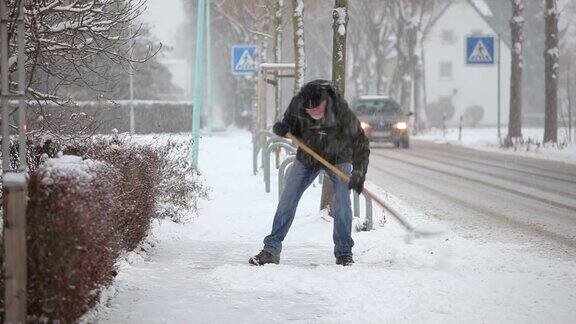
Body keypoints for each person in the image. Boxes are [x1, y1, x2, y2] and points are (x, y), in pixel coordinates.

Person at [249, 79, 370, 266]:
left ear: (325, 101)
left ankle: (344, 253)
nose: (314, 113)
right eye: (309, 110)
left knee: (343, 204)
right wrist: (283, 129)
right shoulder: (298, 104)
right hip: (308, 157)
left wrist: (360, 172)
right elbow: (289, 126)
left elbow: (361, 144)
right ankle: (271, 250)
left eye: (318, 109)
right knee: (288, 198)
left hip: (339, 158)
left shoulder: (342, 112)